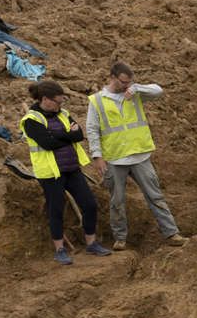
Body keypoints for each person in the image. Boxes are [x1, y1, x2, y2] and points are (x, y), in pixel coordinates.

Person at [86, 60, 187, 250]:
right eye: (123, 82)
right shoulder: (97, 101)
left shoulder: (135, 93)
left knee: (155, 196)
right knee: (117, 201)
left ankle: (171, 233)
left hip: (140, 155)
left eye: (129, 82)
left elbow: (158, 91)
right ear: (113, 78)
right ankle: (120, 238)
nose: (127, 86)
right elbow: (92, 130)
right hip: (114, 158)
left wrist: (137, 88)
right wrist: (97, 156)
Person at [20, 80, 112, 266]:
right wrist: (67, 136)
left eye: (62, 102)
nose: (61, 105)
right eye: (58, 102)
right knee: (56, 210)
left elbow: (78, 135)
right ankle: (59, 249)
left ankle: (91, 243)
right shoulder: (31, 120)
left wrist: (58, 136)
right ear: (45, 99)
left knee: (90, 204)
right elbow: (47, 143)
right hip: (50, 173)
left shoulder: (63, 114)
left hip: (71, 168)